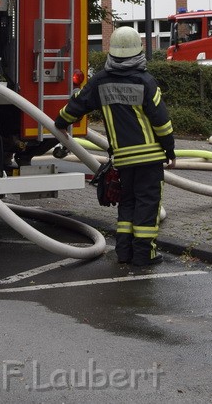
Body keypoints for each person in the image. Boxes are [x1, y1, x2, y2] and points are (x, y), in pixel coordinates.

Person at [54, 26, 177, 266]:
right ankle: (144, 255)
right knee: (148, 205)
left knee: (127, 204)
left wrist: (60, 122)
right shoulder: (146, 82)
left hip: (122, 159)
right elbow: (162, 123)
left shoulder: (100, 82)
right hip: (149, 158)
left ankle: (124, 253)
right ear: (138, 52)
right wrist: (170, 151)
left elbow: (76, 105)